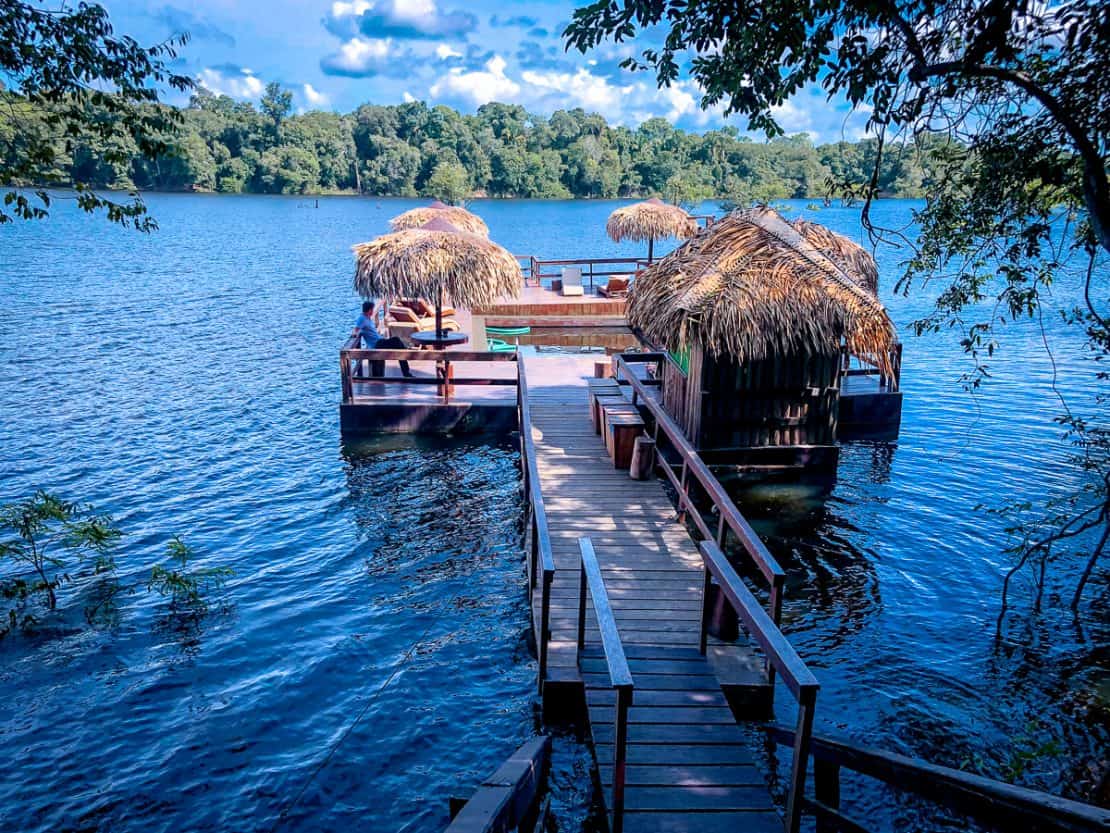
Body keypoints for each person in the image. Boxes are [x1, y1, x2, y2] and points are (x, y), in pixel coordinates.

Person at [352, 301, 412, 377]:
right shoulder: (362, 319)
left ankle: (406, 368)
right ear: (369, 310)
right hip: (376, 344)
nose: (373, 311)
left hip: (379, 341)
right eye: (372, 309)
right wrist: (354, 334)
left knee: (398, 345)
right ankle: (406, 370)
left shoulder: (367, 318)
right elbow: (356, 329)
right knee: (397, 341)